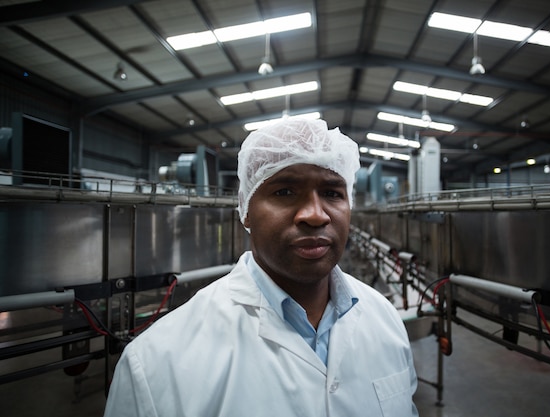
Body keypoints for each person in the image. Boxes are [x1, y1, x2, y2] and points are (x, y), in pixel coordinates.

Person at [103, 118, 419, 417]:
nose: (315, 215)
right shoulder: (156, 363)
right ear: (246, 212)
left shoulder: (385, 321)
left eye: (332, 193)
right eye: (284, 192)